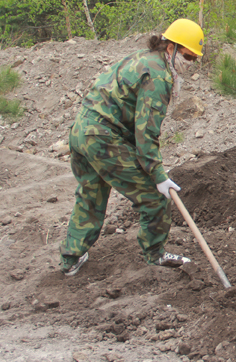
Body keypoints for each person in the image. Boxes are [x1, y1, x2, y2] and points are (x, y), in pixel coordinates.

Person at [59, 19, 205, 276]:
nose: (190, 63)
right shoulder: (158, 77)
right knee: (155, 198)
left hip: (82, 131)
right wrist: (158, 176)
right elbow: (146, 135)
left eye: (194, 58)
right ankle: (156, 256)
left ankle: (71, 259)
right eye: (187, 56)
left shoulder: (143, 58)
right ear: (170, 47)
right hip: (103, 138)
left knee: (91, 194)